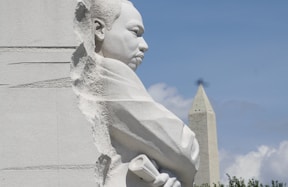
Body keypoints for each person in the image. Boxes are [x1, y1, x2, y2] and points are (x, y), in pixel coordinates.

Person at [71, 0, 199, 186]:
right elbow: (184, 149)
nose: (144, 45)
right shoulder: (108, 72)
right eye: (135, 32)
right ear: (99, 29)